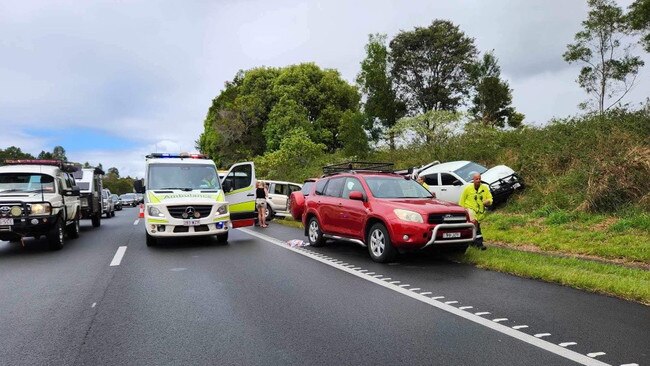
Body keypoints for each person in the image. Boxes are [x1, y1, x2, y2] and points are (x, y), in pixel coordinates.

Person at [458, 172, 492, 250]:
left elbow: (490, 198)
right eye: (476, 179)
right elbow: (462, 200)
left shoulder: (484, 188)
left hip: (480, 212)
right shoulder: (468, 189)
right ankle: (479, 244)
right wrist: (462, 211)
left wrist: (488, 201)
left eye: (479, 179)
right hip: (470, 210)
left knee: (475, 226)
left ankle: (471, 242)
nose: (478, 180)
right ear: (473, 180)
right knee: (475, 225)